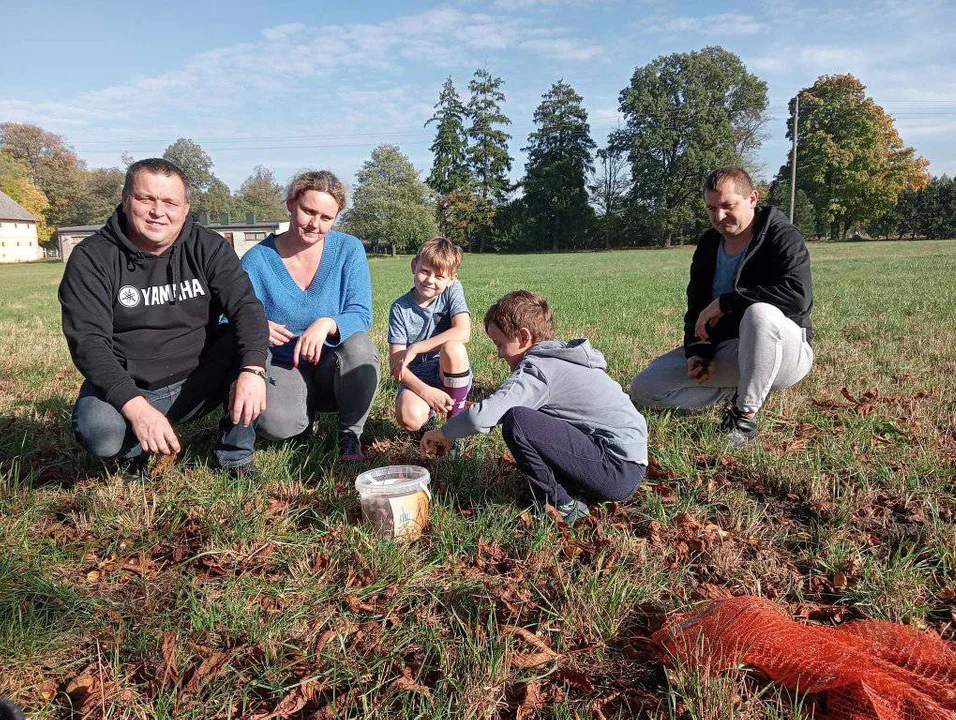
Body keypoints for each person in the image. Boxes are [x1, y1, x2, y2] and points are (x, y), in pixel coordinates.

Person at [59, 158, 268, 480]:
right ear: (126, 200)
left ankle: (235, 455)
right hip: (132, 383)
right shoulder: (92, 257)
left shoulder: (208, 247)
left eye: (170, 202)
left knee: (254, 352)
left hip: (199, 376)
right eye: (146, 199)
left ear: (185, 208)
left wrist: (252, 370)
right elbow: (88, 342)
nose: (158, 212)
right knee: (99, 431)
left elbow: (247, 309)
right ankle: (135, 455)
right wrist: (136, 407)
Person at [421, 291, 648, 524]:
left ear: (522, 336)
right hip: (627, 463)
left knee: (518, 421)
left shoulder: (539, 370)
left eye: (500, 344)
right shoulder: (561, 359)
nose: (499, 354)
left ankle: (564, 503)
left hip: (615, 470)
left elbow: (482, 418)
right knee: (531, 417)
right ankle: (573, 485)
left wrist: (443, 433)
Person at [629, 166, 814, 445]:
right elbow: (696, 308)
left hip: (786, 352)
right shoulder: (708, 244)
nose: (718, 216)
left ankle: (744, 418)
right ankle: (738, 391)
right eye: (711, 208)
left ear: (752, 198)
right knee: (644, 389)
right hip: (731, 349)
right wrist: (698, 351)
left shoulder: (781, 235)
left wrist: (727, 302)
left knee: (760, 314)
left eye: (728, 206)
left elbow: (797, 296)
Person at [240, 170, 379, 460]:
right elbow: (229, 316)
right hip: (283, 363)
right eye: (308, 211)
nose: (315, 224)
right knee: (277, 426)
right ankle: (303, 417)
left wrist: (328, 323)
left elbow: (361, 313)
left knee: (360, 347)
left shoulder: (348, 249)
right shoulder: (257, 259)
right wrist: (258, 326)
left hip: (333, 362)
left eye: (326, 218)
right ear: (291, 204)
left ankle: (351, 434)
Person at [388, 236, 472, 432]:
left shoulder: (452, 291)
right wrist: (425, 391)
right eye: (425, 271)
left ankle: (455, 427)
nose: (430, 280)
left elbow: (463, 332)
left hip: (448, 369)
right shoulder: (400, 308)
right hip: (417, 376)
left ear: (452, 279)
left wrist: (417, 347)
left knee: (453, 347)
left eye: (439, 276)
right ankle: (430, 413)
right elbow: (395, 364)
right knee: (410, 417)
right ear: (414, 266)